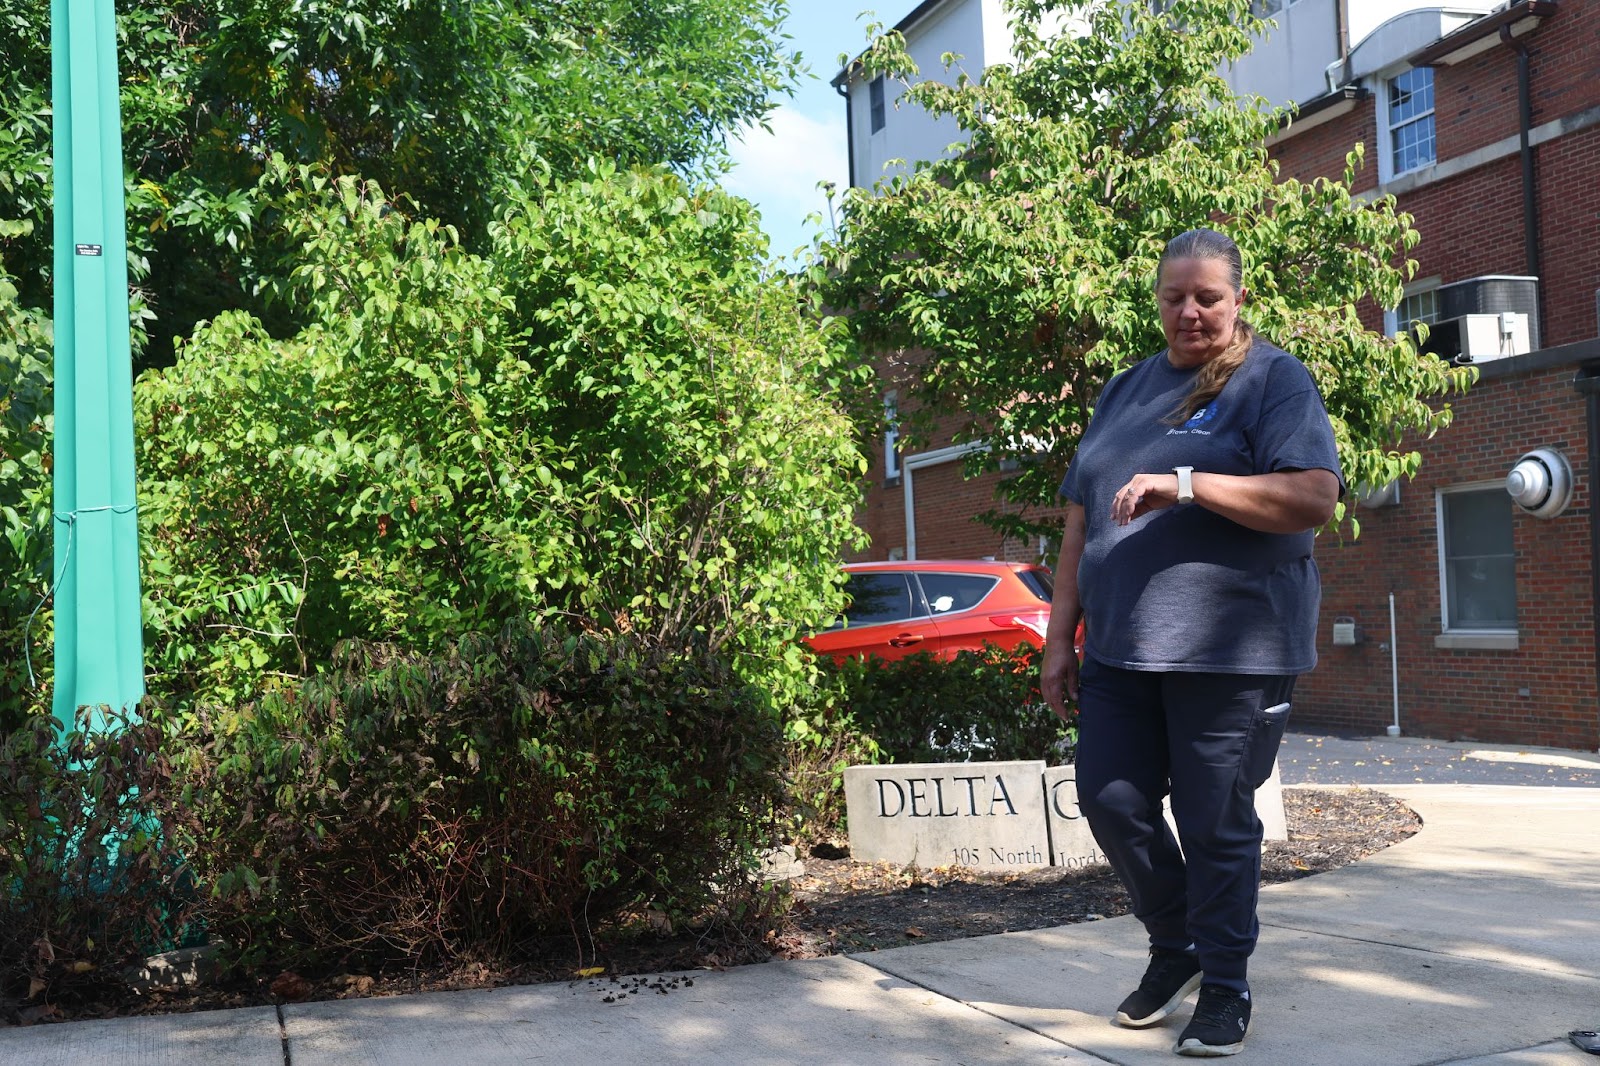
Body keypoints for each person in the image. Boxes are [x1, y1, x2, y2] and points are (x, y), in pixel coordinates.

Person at [1039, 228, 1343, 1057]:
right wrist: (1058, 635)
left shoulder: (1273, 380)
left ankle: (1226, 981)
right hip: (1121, 650)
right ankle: (1175, 946)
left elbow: (1312, 496)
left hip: (1230, 653)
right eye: (1174, 296)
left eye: (1207, 295)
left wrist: (1187, 484)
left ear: (1238, 298)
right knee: (1111, 800)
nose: (1190, 310)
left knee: (1215, 821)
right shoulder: (1123, 390)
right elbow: (1079, 518)